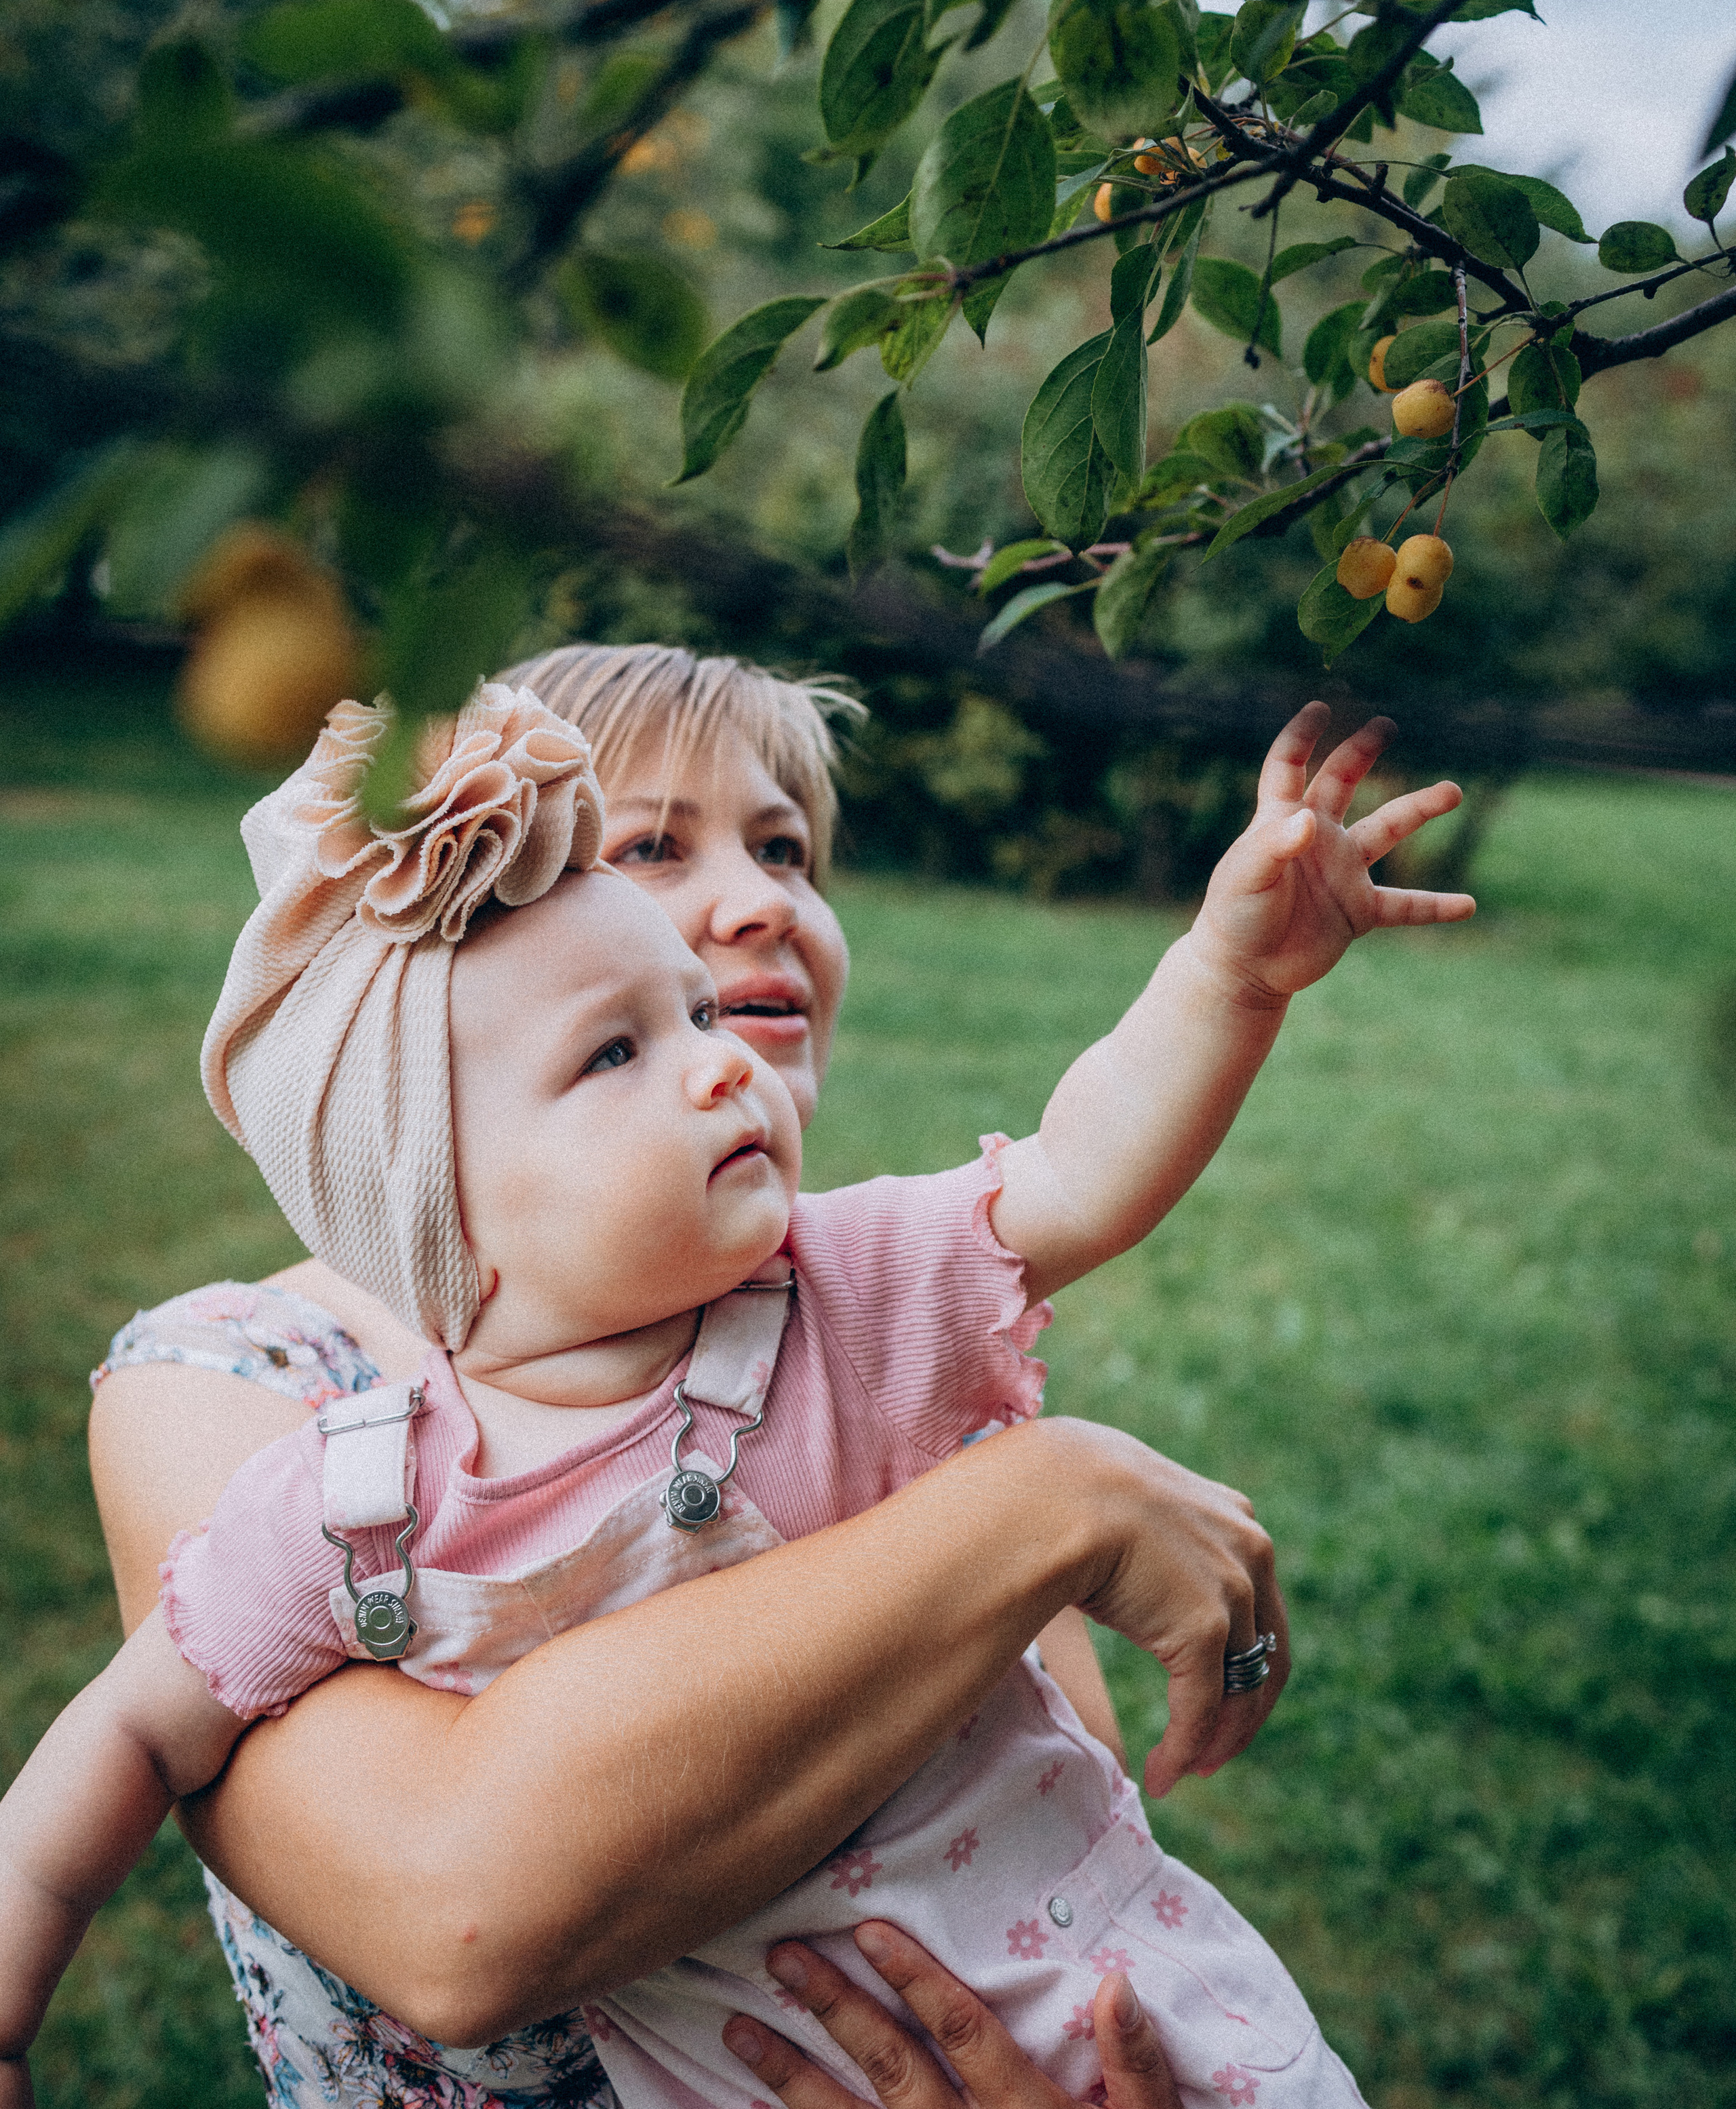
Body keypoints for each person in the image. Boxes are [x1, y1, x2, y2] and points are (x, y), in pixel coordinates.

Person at [0, 666, 1472, 2106]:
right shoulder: (339, 1486)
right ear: (445, 1204)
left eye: (779, 859)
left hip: (1108, 2029)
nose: (715, 1053)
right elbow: (141, 1733)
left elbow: (1077, 1167)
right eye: (619, 1042)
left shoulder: (843, 1297)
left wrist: (1223, 973)